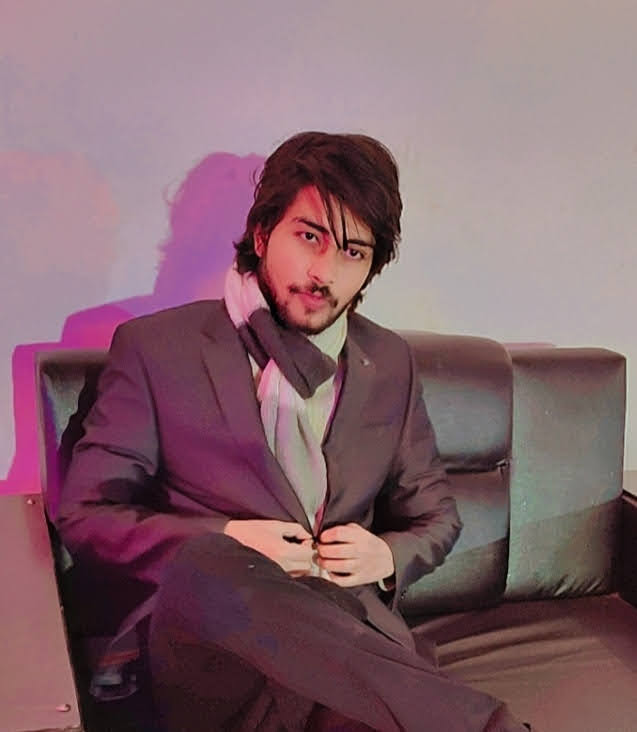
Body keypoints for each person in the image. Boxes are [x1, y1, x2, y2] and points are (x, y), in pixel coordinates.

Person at [58, 132, 530, 731]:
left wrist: (387, 555)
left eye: (353, 252)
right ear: (262, 235)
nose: (324, 272)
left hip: (338, 651)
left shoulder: (388, 362)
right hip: (209, 655)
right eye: (310, 237)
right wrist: (231, 538)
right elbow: (87, 514)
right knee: (209, 561)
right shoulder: (157, 349)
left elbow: (436, 515)